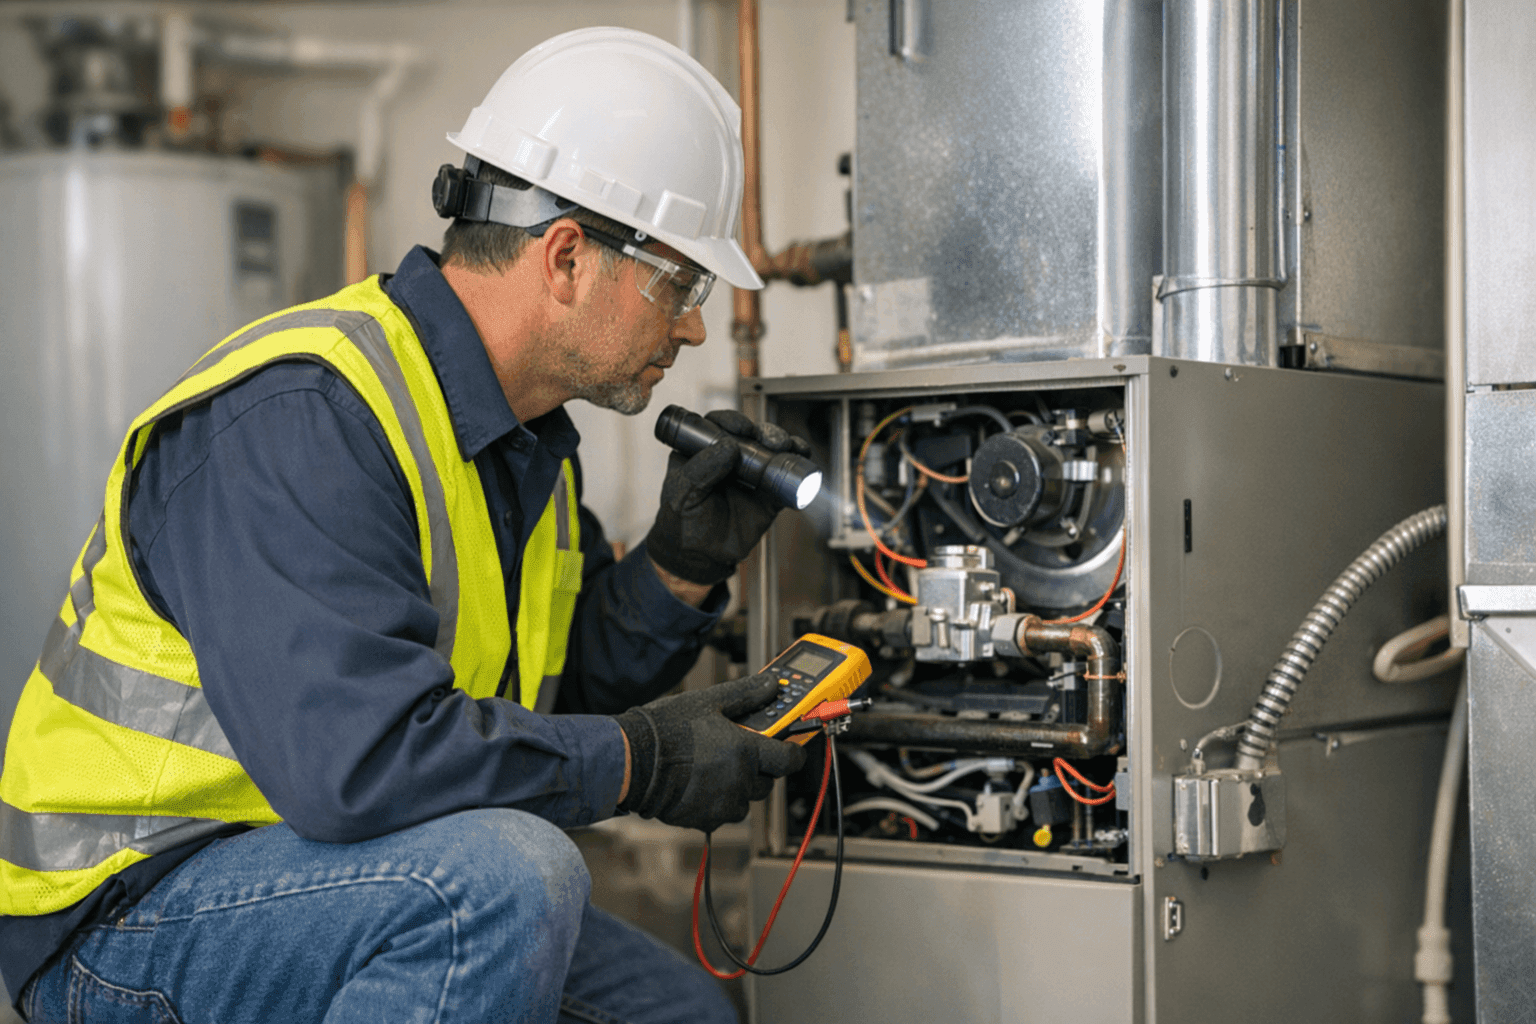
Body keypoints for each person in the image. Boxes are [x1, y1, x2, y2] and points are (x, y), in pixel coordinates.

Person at [0, 27, 808, 1024]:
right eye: (679, 285)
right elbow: (362, 765)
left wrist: (679, 567)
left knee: (680, 1015)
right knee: (507, 880)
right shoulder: (308, 419)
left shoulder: (524, 445)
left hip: (341, 875)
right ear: (565, 257)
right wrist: (642, 760)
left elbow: (555, 693)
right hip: (129, 914)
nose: (689, 324)